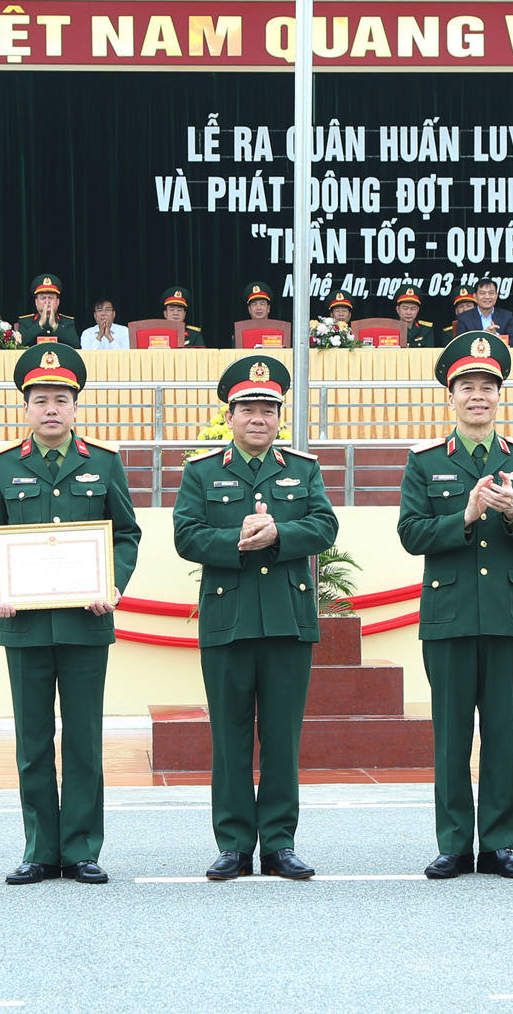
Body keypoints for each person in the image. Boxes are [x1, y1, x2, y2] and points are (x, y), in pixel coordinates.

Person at [0, 343, 141, 886]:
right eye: (41, 399)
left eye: (61, 399)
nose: (51, 408)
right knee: (32, 741)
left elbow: (126, 534)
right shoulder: (3, 466)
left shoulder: (104, 462)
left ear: (76, 407)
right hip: (23, 623)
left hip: (86, 621)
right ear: (25, 407)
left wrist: (111, 584)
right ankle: (40, 850)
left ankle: (82, 849)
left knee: (85, 740)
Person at [173, 355, 338, 881]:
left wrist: (281, 535)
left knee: (283, 736)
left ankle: (281, 844)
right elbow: (186, 535)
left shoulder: (302, 469)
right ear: (230, 414)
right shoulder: (201, 472)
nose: (258, 419)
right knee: (230, 737)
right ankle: (234, 845)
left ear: (279, 416)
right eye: (247, 408)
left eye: (268, 409)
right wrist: (238, 541)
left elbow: (325, 525)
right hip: (229, 620)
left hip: (289, 621)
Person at [398, 331, 513, 881]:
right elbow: (411, 534)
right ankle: (453, 844)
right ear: (451, 395)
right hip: (449, 616)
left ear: (500, 394)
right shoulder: (424, 462)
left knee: (502, 735)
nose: (478, 395)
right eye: (467, 386)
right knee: (452, 735)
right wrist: (463, 517)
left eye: (488, 386)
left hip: (506, 615)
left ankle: (501, 844)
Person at [18, 274, 75, 345]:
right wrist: (39, 325)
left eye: (51, 298)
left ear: (57, 302)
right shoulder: (25, 322)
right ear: (36, 302)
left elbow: (75, 343)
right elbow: (19, 344)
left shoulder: (68, 322)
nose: (47, 301)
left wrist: (55, 325)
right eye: (43, 298)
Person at [453, 277, 513, 341]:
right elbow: (461, 342)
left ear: (496, 296)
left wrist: (496, 335)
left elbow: (512, 341)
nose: (487, 297)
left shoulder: (506, 316)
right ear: (475, 296)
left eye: (491, 293)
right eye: (482, 293)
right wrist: (483, 336)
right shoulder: (464, 317)